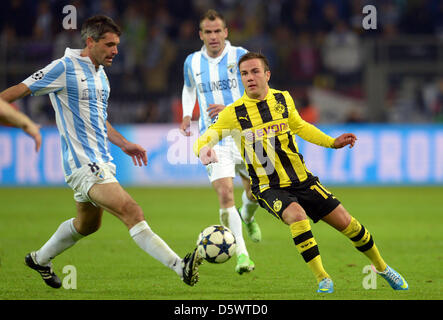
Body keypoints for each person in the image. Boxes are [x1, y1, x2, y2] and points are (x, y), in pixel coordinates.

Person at [0, 15, 202, 289]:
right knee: (132, 211)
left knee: (88, 225)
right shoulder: (62, 68)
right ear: (90, 41)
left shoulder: (101, 75)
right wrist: (20, 122)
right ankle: (180, 267)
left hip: (102, 160)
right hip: (84, 164)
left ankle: (39, 259)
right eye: (109, 45)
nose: (115, 51)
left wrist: (123, 143)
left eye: (117, 45)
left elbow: (99, 118)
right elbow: (12, 94)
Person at [194, 52, 408, 293]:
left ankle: (382, 267)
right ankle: (323, 278)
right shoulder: (234, 113)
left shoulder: (283, 99)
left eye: (255, 71)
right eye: (244, 73)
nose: (250, 77)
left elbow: (300, 126)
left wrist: (331, 142)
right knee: (297, 216)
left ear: (267, 74)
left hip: (302, 179)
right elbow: (204, 139)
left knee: (349, 224)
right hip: (268, 186)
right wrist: (204, 151)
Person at [179, 9, 260, 275]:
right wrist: (186, 114)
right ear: (200, 34)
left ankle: (247, 216)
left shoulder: (241, 56)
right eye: (208, 32)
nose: (213, 36)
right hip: (213, 138)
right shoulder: (191, 62)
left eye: (218, 31)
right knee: (225, 193)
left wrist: (228, 107)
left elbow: (259, 92)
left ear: (226, 32)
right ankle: (243, 256)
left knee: (255, 193)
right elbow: (189, 87)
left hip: (245, 134)